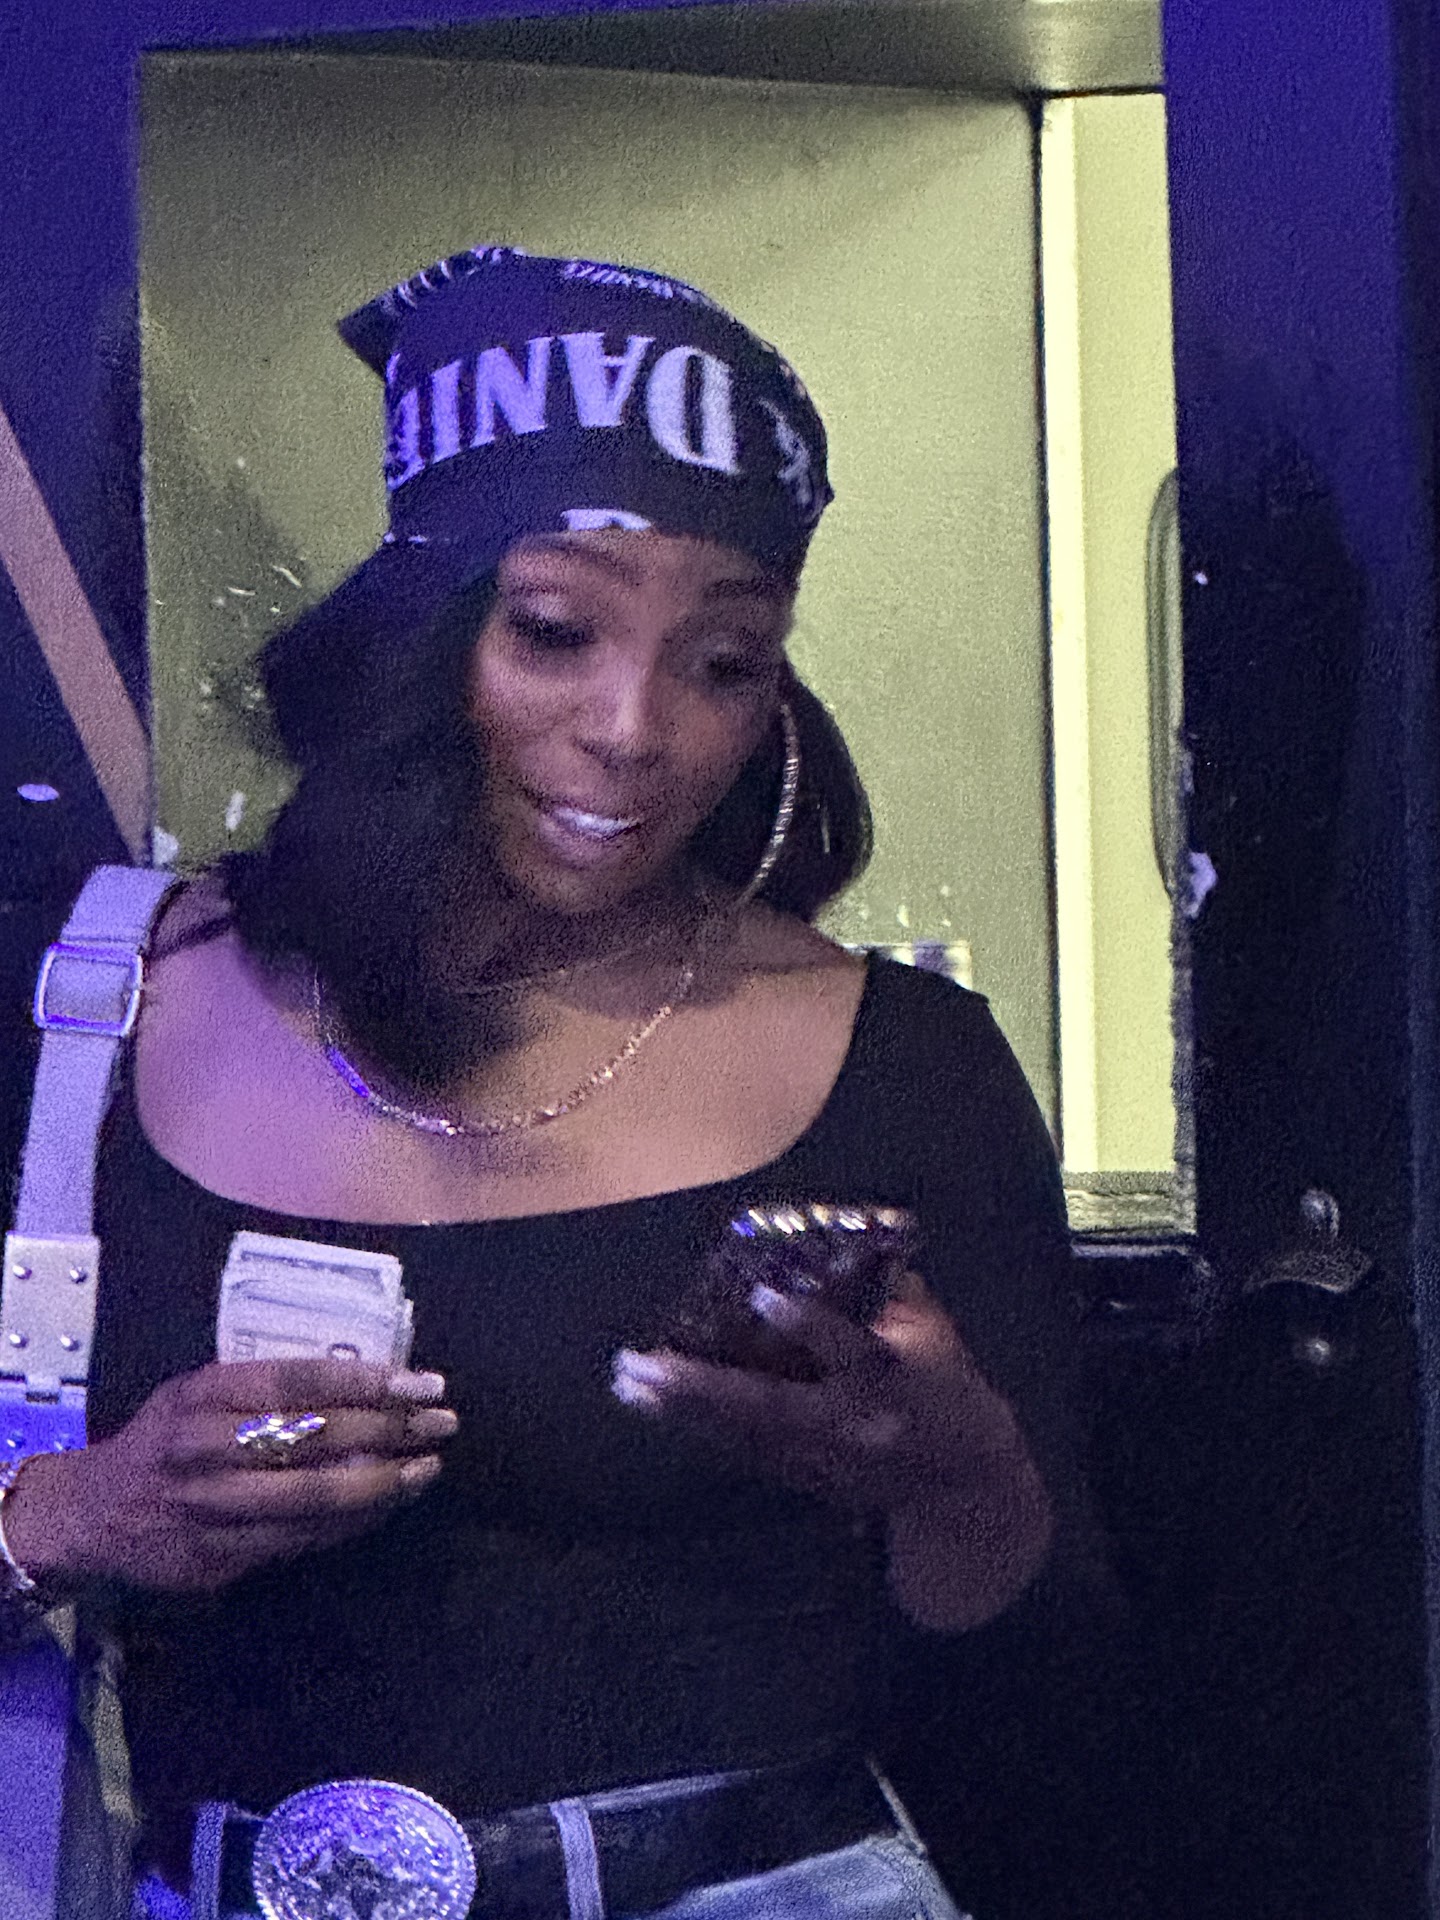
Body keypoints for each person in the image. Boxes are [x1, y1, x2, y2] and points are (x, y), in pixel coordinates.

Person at [1, 246, 1088, 1920]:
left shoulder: (899, 1058)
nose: (636, 728)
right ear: (415, 636)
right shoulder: (98, 1007)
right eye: (557, 631)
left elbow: (1034, 1639)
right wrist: (76, 1513)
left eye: (726, 662)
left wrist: (951, 1466)